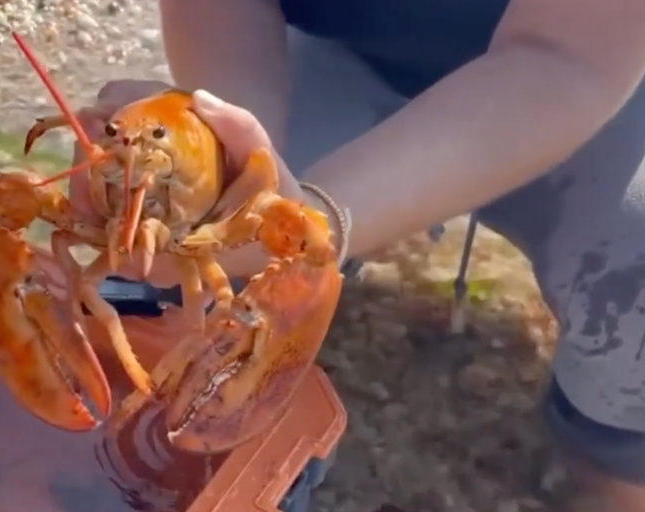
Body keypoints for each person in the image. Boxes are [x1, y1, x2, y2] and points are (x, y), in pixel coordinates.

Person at [56, 0, 645, 509]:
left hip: (593, 76)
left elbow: (564, 59)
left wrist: (325, 216)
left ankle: (618, 465)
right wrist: (238, 174)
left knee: (634, 279)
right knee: (160, 273)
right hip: (331, 55)